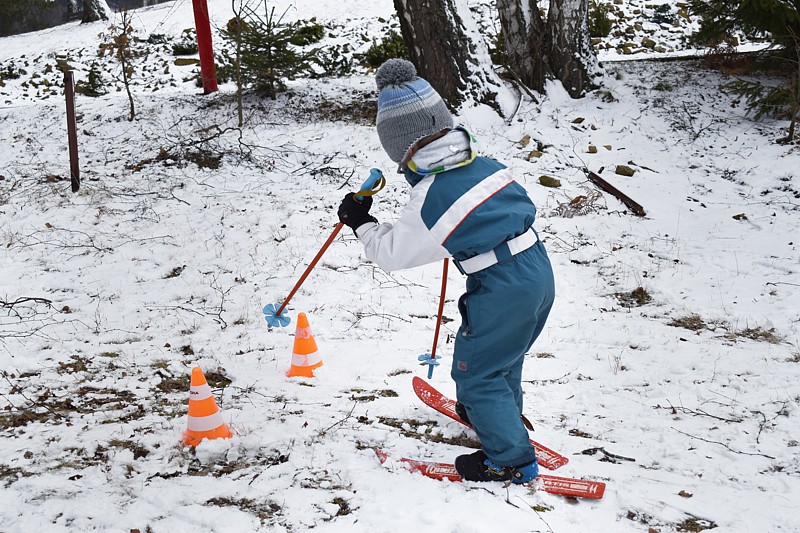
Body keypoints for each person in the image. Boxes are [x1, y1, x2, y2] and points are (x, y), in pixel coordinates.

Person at [337, 59, 555, 484]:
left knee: (478, 373)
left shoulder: (431, 198)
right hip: (536, 270)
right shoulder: (486, 164)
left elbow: (394, 254)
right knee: (502, 357)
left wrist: (360, 221)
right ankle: (497, 416)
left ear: (398, 146)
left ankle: (510, 460)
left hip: (502, 284)